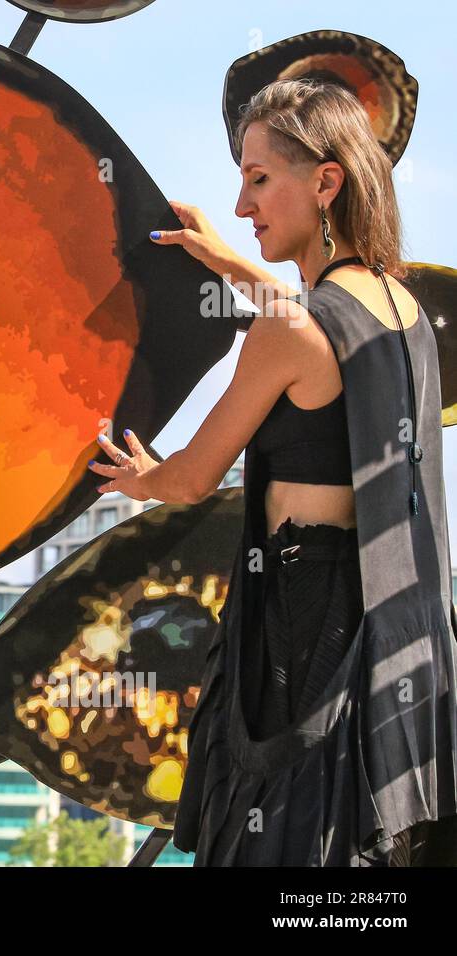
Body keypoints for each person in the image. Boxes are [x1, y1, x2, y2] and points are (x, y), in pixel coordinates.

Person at [87, 78, 457, 865]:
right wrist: (228, 261)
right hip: (400, 619)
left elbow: (192, 478)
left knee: (284, 833)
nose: (244, 202)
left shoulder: (295, 330)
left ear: (326, 181)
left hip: (301, 609)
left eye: (259, 178)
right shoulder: (403, 312)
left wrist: (138, 474)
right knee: (359, 844)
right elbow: (318, 334)